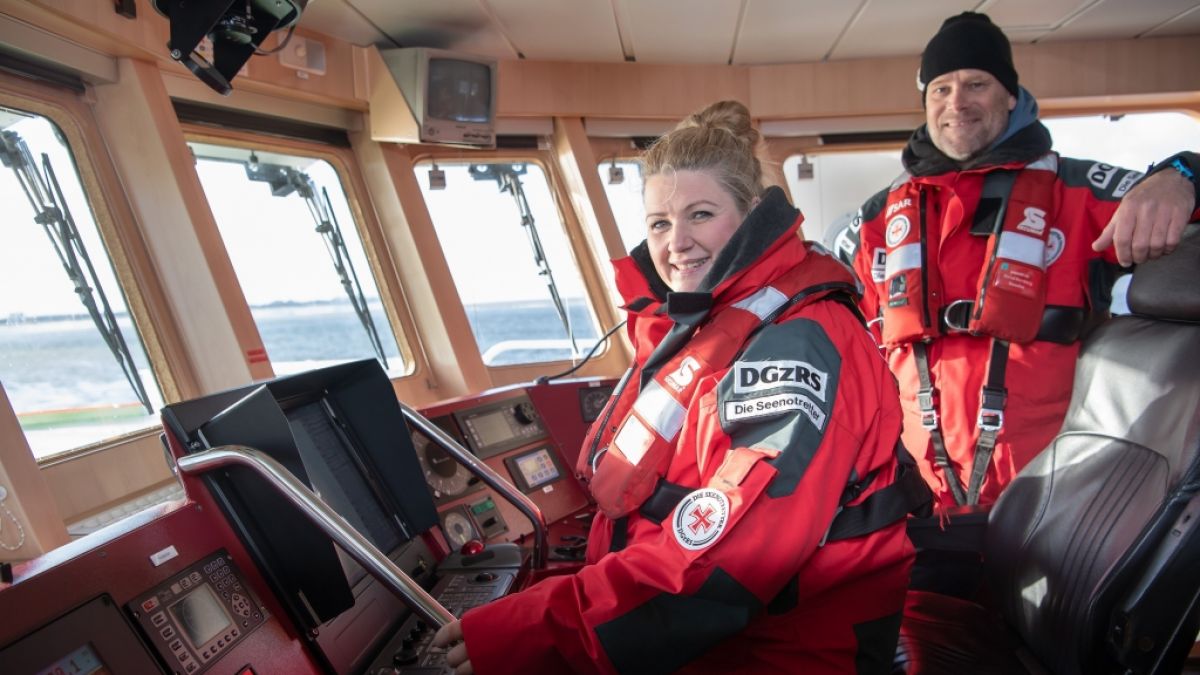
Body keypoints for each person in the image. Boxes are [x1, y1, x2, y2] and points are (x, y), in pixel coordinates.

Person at [431, 100, 927, 674]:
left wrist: (537, 628)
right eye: (660, 223)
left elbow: (731, 563)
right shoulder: (717, 322)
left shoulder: (798, 345)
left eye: (700, 214)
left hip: (783, 651)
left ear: (753, 215)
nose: (676, 243)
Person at [842, 11, 1200, 513]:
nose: (957, 102)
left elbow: (1181, 197)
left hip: (1054, 504)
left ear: (1010, 95)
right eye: (940, 89)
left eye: (976, 84)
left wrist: (1183, 172)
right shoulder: (876, 220)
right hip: (919, 507)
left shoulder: (1076, 194)